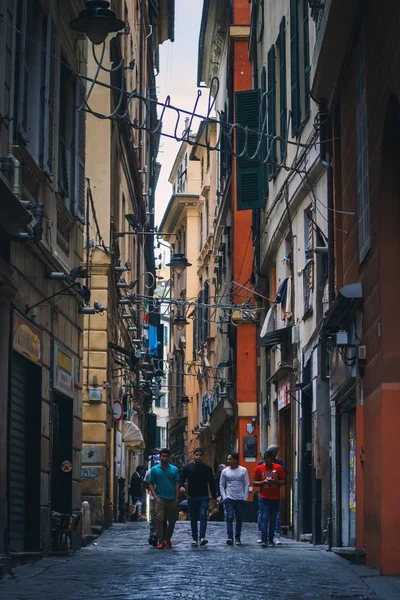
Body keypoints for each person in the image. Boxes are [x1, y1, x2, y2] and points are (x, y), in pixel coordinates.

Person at [179, 448, 217, 547]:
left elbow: (211, 483)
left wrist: (214, 496)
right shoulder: (188, 468)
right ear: (193, 456)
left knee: (203, 515)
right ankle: (195, 538)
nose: (198, 456)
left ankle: (202, 537)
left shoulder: (207, 469)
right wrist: (182, 486)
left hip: (203, 496)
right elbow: (181, 479)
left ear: (202, 456)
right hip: (191, 496)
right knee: (193, 518)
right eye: (196, 455)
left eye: (200, 455)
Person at [253, 450, 286, 548]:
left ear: (272, 460)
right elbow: (254, 482)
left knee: (273, 519)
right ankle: (264, 539)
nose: (268, 463)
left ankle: (271, 539)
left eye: (269, 461)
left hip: (275, 498)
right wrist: (263, 482)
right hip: (264, 497)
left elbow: (284, 481)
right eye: (266, 461)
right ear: (264, 460)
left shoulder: (278, 468)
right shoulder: (259, 468)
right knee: (264, 518)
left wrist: (275, 482)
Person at [149, 448, 180, 549]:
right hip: (160, 499)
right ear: (160, 457)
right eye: (163, 456)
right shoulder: (154, 469)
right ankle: (161, 540)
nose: (165, 458)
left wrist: (176, 497)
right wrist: (155, 496)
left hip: (172, 499)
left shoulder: (174, 469)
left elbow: (176, 484)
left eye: (167, 456)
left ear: (169, 457)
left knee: (172, 521)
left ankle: (168, 538)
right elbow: (150, 483)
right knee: (159, 519)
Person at [219, 452, 249, 545]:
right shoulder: (225, 471)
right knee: (230, 517)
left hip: (240, 498)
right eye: (228, 459)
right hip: (229, 498)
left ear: (235, 460)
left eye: (230, 459)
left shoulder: (243, 470)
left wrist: (245, 497)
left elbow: (247, 484)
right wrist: (224, 497)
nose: (228, 461)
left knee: (239, 518)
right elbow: (221, 485)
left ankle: (237, 538)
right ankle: (230, 537)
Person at [267, 444, 285, 545]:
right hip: (264, 494)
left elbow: (283, 475)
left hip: (275, 493)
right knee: (264, 515)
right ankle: (263, 535)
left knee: (276, 515)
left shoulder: (279, 464)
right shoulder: (262, 463)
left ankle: (276, 535)